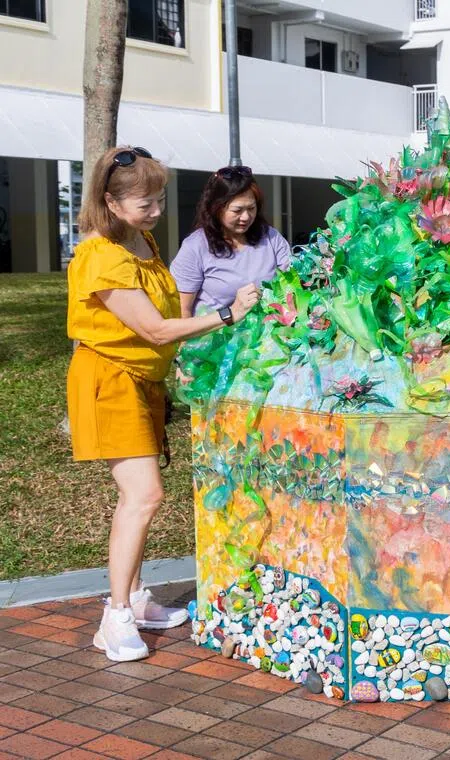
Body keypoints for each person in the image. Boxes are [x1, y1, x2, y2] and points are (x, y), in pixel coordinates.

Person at [67, 146, 261, 662]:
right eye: (145, 204)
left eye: (159, 200)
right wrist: (228, 315)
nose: (156, 212)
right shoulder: (101, 256)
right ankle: (115, 619)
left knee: (144, 497)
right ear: (109, 201)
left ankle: (134, 596)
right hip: (110, 379)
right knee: (143, 496)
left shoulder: (139, 240)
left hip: (143, 380)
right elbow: (153, 327)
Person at [171, 165, 291, 317]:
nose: (246, 217)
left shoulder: (271, 237)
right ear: (216, 208)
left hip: (266, 335)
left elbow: (292, 282)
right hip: (214, 336)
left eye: (251, 208)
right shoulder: (195, 247)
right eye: (237, 210)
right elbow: (183, 310)